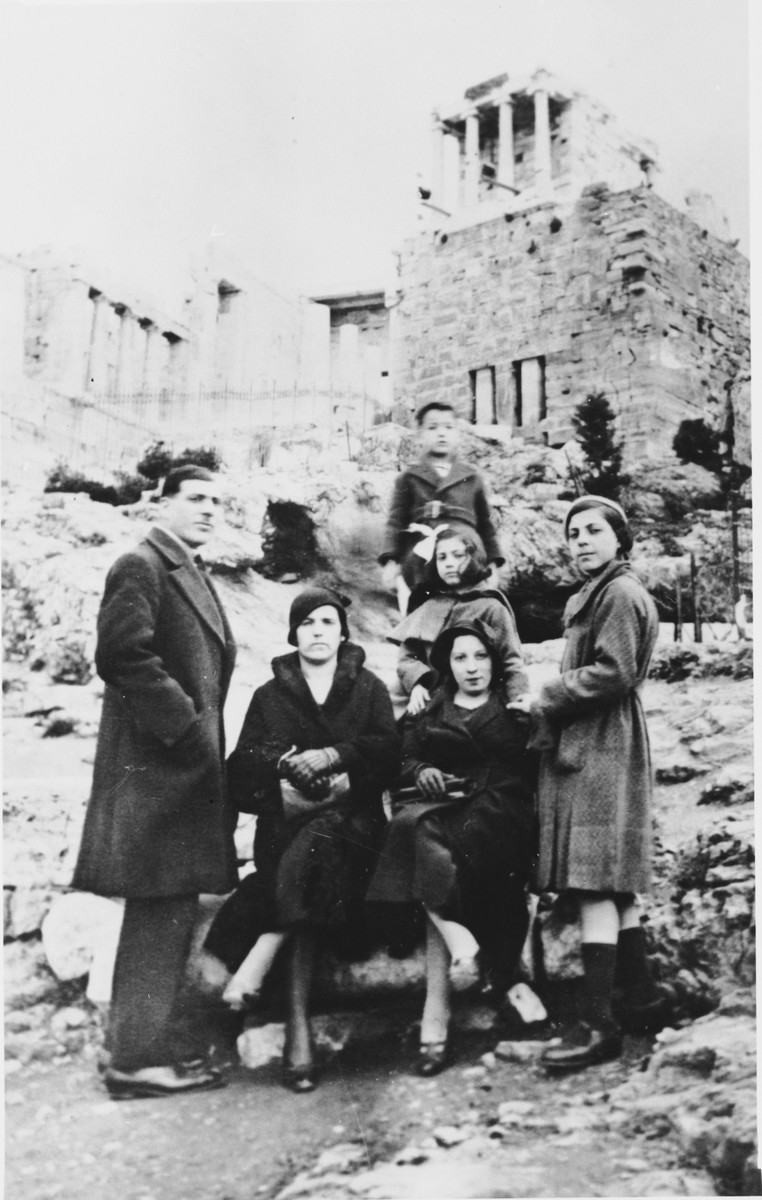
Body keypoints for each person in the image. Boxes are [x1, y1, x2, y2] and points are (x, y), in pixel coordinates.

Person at [72, 465, 238, 1099]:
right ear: (161, 503)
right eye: (196, 500)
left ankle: (140, 1047)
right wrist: (187, 728)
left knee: (166, 915)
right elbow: (120, 654)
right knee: (155, 918)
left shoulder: (187, 568)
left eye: (217, 502)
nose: (209, 511)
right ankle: (135, 1061)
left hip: (181, 778)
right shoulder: (141, 563)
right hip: (157, 775)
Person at [204, 587, 401, 1092]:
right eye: (308, 623)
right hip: (286, 832)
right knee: (314, 850)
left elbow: (388, 754)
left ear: (342, 632)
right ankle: (296, 1036)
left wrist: (336, 756)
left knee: (328, 839)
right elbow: (242, 770)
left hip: (357, 835)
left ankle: (293, 1029)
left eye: (328, 622)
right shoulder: (269, 697)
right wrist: (282, 765)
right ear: (293, 633)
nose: (318, 632)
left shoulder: (369, 689)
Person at [508, 495, 665, 1073]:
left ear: (619, 539)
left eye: (593, 531)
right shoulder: (600, 591)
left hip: (602, 740)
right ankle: (643, 1000)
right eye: (572, 532)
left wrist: (546, 695)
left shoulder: (620, 594)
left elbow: (615, 672)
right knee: (611, 881)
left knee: (595, 881)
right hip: (598, 737)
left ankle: (598, 1025)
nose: (580, 540)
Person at [367, 620, 537, 1076]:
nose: (472, 666)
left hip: (500, 811)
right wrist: (420, 768)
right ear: (448, 665)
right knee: (411, 826)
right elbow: (403, 754)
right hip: (447, 807)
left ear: (494, 660)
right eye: (460, 658)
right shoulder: (435, 704)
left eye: (480, 656)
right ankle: (465, 949)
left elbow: (533, 760)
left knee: (427, 838)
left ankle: (452, 987)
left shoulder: (511, 704)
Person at [378, 401, 504, 614]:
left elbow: (486, 524)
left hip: (466, 545)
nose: (441, 434)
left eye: (448, 427)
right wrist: (391, 561)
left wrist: (493, 563)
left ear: (458, 433)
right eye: (433, 427)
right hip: (423, 551)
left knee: (471, 597)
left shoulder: (472, 477)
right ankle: (422, 634)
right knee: (423, 599)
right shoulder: (409, 478)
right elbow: (395, 522)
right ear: (420, 435)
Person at [390, 522, 528, 714]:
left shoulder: (491, 607)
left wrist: (519, 703)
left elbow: (511, 662)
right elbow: (407, 656)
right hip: (428, 694)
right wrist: (417, 683)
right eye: (442, 557)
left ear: (474, 557)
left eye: (458, 555)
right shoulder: (430, 604)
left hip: (475, 697)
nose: (448, 563)